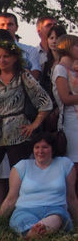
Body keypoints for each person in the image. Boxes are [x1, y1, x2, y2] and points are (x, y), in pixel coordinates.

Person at [0, 38, 52, 211]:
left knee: (23, 176)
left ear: (15, 57)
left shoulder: (24, 75)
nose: (2, 60)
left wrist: (34, 125)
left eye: (6, 56)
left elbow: (45, 102)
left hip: (18, 132)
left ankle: (28, 210)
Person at [0, 132, 78, 237]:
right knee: (22, 220)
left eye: (45, 147)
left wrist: (77, 222)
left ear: (52, 149)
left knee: (56, 218)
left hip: (54, 209)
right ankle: (36, 233)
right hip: (25, 209)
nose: (40, 151)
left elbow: (71, 197)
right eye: (37, 147)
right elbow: (11, 198)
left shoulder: (64, 164)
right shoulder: (22, 166)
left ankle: (35, 232)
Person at [51, 35, 78, 165]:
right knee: (74, 162)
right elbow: (65, 98)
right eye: (76, 45)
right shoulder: (60, 69)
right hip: (71, 122)